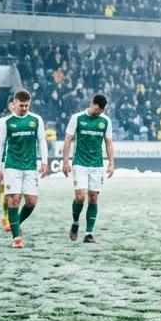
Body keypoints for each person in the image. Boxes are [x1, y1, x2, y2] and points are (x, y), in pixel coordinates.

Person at [0, 90, 49, 249]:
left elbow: (42, 142)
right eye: (21, 105)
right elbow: (0, 145)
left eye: (26, 105)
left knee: (31, 202)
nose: (24, 108)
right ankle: (16, 237)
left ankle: (15, 222)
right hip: (12, 167)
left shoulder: (36, 120)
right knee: (14, 199)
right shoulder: (6, 122)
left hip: (30, 167)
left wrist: (44, 162)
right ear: (14, 104)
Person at [62, 94, 114, 244]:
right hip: (80, 163)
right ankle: (75, 222)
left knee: (93, 197)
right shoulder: (77, 118)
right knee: (80, 197)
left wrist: (111, 163)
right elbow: (68, 140)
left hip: (97, 165)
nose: (99, 113)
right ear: (93, 105)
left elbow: (108, 143)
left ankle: (89, 234)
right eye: (98, 110)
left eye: (102, 111)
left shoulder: (105, 121)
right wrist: (65, 161)